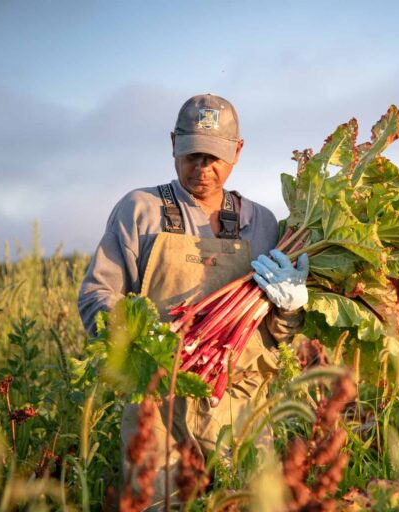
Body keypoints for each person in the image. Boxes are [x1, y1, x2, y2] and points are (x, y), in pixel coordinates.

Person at [77, 93, 309, 507]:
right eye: (192, 155)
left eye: (215, 157)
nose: (203, 168)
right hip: (157, 404)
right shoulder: (140, 210)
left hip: (239, 403)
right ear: (172, 144)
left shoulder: (261, 223)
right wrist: (140, 336)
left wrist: (290, 309)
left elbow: (277, 335)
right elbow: (96, 295)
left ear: (237, 152)